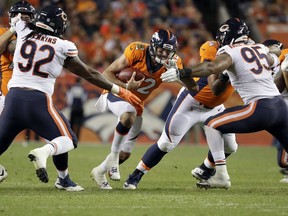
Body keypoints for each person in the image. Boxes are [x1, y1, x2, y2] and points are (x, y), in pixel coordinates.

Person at [0, 5, 142, 191]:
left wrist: (16, 25)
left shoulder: (22, 33)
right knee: (68, 139)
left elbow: (9, 45)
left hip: (13, 99)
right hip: (37, 100)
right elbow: (90, 74)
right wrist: (119, 90)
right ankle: (45, 155)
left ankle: (63, 179)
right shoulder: (62, 46)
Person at [161, 17, 288, 189]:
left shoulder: (230, 50)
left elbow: (212, 68)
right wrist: (271, 50)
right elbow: (274, 58)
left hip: (260, 107)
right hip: (281, 107)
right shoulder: (259, 48)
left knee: (212, 124)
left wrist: (182, 72)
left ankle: (221, 176)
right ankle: (207, 168)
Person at [123, 40, 239, 189]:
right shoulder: (212, 48)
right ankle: (136, 175)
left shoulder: (243, 55)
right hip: (192, 102)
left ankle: (205, 168)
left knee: (231, 147)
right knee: (165, 143)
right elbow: (212, 80)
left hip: (215, 107)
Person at [91, 29, 198, 189]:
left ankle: (99, 171)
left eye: (168, 51)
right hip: (118, 94)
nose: (163, 54)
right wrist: (125, 86)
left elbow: (194, 88)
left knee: (125, 154)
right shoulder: (137, 50)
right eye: (161, 50)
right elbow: (106, 74)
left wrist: (180, 74)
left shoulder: (174, 61)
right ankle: (112, 155)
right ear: (153, 46)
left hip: (136, 103)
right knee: (128, 116)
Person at [0, 0, 36, 183]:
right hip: (5, 92)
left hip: (30, 92)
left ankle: (63, 176)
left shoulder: (37, 36)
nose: (22, 18)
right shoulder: (4, 32)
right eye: (18, 15)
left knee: (60, 135)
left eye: (26, 16)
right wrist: (14, 30)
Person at [262, 39, 288, 183]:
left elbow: (277, 87)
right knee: (282, 152)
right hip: (280, 106)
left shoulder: (284, 55)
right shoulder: (271, 61)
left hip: (283, 105)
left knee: (284, 158)